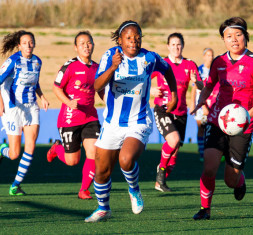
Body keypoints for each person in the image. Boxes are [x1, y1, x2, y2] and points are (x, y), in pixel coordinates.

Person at [84, 20, 178, 222]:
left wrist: (174, 95)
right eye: (129, 38)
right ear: (120, 40)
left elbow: (168, 69)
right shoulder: (110, 56)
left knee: (125, 159)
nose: (134, 42)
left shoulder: (149, 58)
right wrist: (112, 68)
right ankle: (103, 209)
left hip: (139, 121)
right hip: (112, 123)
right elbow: (96, 85)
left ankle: (134, 190)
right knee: (100, 171)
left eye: (137, 38)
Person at [191, 17, 253, 220]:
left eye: (238, 35)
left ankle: (240, 181)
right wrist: (201, 100)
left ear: (245, 37)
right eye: (229, 36)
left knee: (230, 179)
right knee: (209, 167)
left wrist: (248, 114)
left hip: (243, 126)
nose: (234, 39)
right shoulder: (219, 62)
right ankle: (205, 209)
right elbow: (209, 85)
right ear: (223, 39)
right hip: (218, 121)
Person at [0, 30, 49, 195]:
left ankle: (15, 185)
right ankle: (3, 150)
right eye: (25, 43)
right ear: (19, 45)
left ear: (34, 44)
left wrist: (42, 97)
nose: (29, 45)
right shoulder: (14, 60)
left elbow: (35, 83)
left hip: (31, 106)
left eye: (31, 42)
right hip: (14, 107)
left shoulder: (38, 61)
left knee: (30, 147)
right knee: (14, 153)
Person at [46, 31, 102, 200]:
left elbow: (101, 89)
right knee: (73, 161)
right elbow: (56, 87)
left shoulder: (97, 68)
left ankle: (84, 189)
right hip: (69, 119)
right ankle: (57, 148)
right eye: (82, 43)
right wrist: (69, 102)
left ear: (93, 44)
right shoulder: (69, 66)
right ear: (76, 47)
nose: (86, 46)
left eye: (89, 42)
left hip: (90, 118)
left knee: (94, 153)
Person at [151, 33, 200, 192]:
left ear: (183, 46)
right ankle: (160, 173)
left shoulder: (190, 64)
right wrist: (152, 90)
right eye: (173, 44)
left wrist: (196, 82)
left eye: (178, 44)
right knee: (173, 140)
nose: (176, 48)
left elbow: (201, 86)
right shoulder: (161, 63)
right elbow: (144, 80)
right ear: (168, 46)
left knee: (174, 154)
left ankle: (160, 181)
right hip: (163, 109)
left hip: (181, 112)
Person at [191, 48, 214, 162]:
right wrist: (192, 104)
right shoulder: (199, 70)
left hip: (213, 102)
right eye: (208, 55)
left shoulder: (215, 70)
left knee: (213, 128)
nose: (210, 58)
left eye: (212, 55)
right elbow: (194, 88)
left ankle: (212, 152)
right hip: (200, 102)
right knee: (201, 128)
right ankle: (201, 152)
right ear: (204, 56)